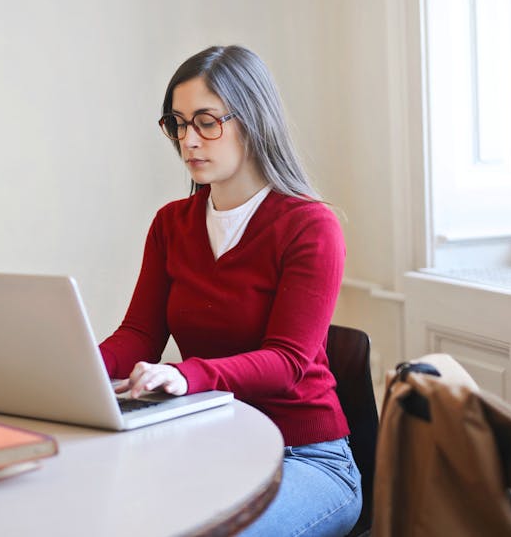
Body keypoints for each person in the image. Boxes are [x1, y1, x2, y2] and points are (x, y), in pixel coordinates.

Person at [99, 45, 361, 537]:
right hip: (208, 445)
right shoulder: (170, 224)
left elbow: (286, 361)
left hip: (304, 456)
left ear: (253, 121)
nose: (189, 140)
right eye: (177, 124)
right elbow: (138, 333)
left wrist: (185, 376)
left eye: (206, 121)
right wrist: (80, 365)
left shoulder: (310, 226)